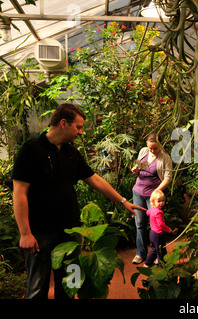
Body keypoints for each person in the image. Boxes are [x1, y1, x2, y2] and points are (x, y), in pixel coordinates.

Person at [12, 103, 146, 299]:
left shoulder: (71, 153)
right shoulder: (31, 150)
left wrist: (123, 201)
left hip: (71, 232)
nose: (81, 132)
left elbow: (95, 179)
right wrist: (25, 233)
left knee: (70, 284)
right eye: (79, 126)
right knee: (37, 288)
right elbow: (19, 193)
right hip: (39, 233)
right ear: (64, 123)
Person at [130, 133, 173, 264]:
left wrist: (156, 191)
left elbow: (168, 178)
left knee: (157, 226)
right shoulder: (144, 151)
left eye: (155, 148)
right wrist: (135, 168)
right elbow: (139, 164)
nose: (152, 151)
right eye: (150, 148)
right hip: (138, 192)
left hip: (153, 197)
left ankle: (159, 254)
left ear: (160, 145)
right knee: (139, 224)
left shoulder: (165, 158)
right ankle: (141, 253)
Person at [143, 190, 175, 268]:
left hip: (152, 233)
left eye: (163, 200)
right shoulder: (158, 212)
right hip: (158, 234)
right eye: (159, 201)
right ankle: (158, 265)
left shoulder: (152, 210)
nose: (161, 203)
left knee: (158, 248)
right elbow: (160, 224)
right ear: (153, 202)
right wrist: (168, 230)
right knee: (159, 250)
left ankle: (154, 263)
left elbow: (147, 212)